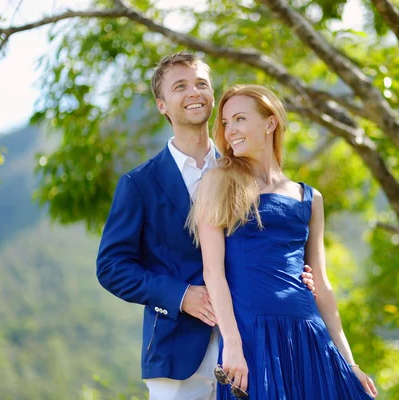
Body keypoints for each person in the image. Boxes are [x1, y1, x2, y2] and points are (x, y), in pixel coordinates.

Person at [96, 52, 315, 400]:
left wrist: (298, 273)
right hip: (177, 354)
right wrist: (180, 296)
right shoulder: (139, 183)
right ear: (162, 105)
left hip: (252, 344)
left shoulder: (245, 170)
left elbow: (278, 235)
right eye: (180, 86)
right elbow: (111, 267)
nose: (194, 92)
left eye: (201, 84)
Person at [190, 84, 378, 399]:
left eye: (239, 119)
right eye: (225, 123)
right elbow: (214, 273)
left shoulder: (310, 197)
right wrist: (232, 345)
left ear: (270, 122)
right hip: (253, 338)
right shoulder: (218, 182)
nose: (230, 130)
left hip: (308, 334)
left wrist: (350, 361)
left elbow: (322, 283)